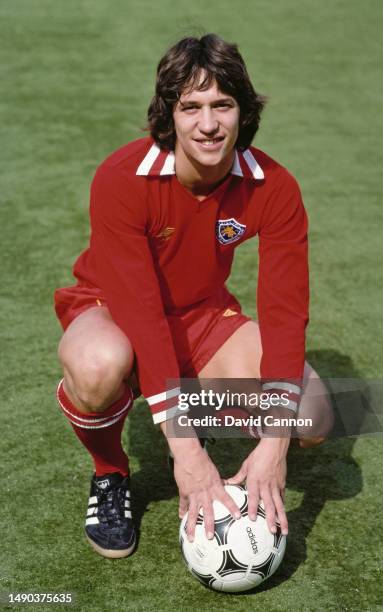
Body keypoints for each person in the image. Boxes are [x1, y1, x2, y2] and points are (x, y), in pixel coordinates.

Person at [54, 33, 331, 559]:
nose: (208, 124)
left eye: (223, 105)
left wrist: (274, 447)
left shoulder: (274, 187)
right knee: (97, 365)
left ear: (243, 111)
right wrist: (184, 450)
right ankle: (110, 472)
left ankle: (190, 407)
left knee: (311, 416)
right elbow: (140, 310)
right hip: (110, 306)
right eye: (192, 107)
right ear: (170, 114)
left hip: (201, 312)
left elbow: (284, 312)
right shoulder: (121, 178)